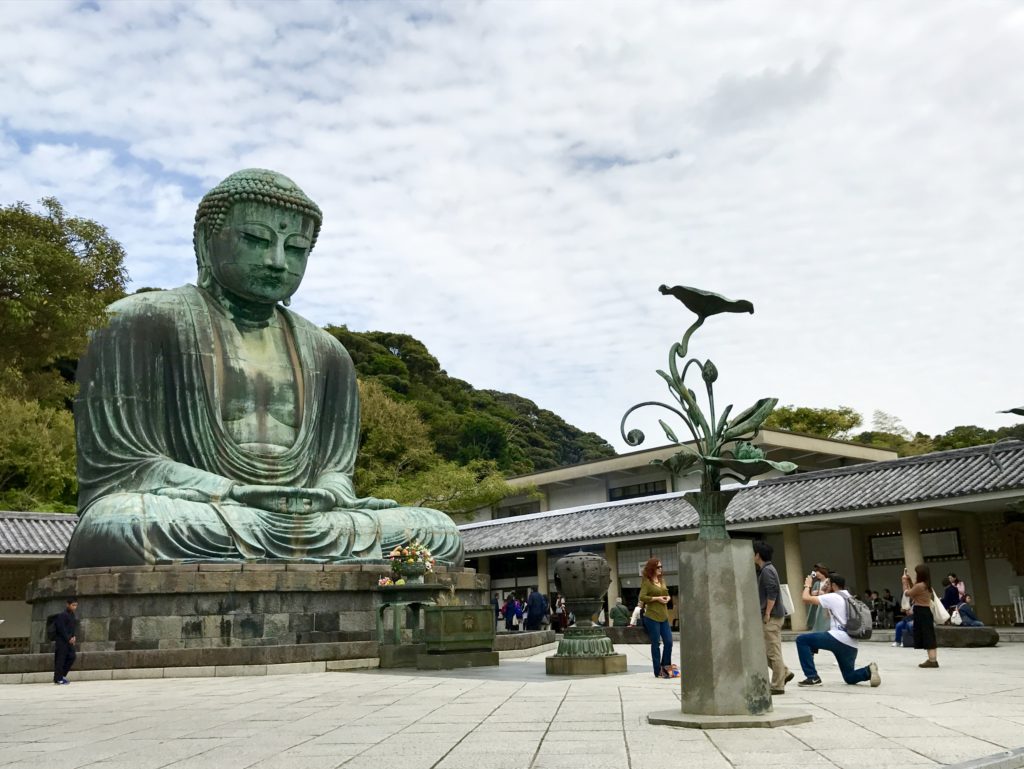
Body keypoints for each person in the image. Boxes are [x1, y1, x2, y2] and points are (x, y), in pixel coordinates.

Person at [63, 169, 463, 568]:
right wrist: (232, 492)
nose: (276, 261)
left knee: (436, 531)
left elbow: (334, 471)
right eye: (256, 239)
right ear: (205, 240)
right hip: (202, 511)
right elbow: (128, 468)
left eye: (296, 249)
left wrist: (329, 492)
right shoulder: (135, 322)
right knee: (121, 523)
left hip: (308, 520)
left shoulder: (329, 353)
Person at [796, 573, 880, 688]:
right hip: (851, 643)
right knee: (849, 677)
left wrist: (807, 585)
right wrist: (825, 592)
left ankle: (812, 677)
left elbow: (805, 599)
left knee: (802, 640)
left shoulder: (834, 597)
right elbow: (827, 615)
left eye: (828, 583)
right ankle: (868, 671)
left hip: (837, 638)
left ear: (834, 585)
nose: (825, 584)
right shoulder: (849, 596)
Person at [753, 541, 792, 695]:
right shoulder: (766, 569)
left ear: (758, 555)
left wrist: (767, 613)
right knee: (767, 651)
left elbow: (772, 592)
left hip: (772, 617)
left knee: (773, 652)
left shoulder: (767, 571)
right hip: (773, 616)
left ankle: (777, 685)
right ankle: (784, 673)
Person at [639, 557, 674, 678]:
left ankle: (665, 667)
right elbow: (642, 597)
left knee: (669, 642)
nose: (660, 569)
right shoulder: (647, 582)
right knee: (656, 643)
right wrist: (657, 598)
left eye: (661, 566)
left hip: (664, 616)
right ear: (652, 568)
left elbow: (666, 593)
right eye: (658, 567)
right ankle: (657, 670)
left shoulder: (662, 580)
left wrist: (668, 598)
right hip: (652, 616)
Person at [902, 564, 939, 668]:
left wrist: (904, 583)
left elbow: (908, 593)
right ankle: (932, 659)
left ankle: (932, 660)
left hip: (921, 611)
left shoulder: (920, 586)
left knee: (927, 635)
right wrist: (909, 581)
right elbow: (915, 590)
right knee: (929, 634)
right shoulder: (926, 585)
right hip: (926, 611)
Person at [53, 597, 78, 685]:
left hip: (69, 641)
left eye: (76, 605)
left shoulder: (72, 615)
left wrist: (74, 636)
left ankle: (61, 675)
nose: (74, 607)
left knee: (72, 656)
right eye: (73, 605)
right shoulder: (62, 615)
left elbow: (72, 627)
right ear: (68, 604)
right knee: (60, 659)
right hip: (61, 641)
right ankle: (58, 678)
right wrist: (68, 638)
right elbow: (61, 629)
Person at [804, 564, 831, 632]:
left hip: (827, 603)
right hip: (818, 603)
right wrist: (815, 593)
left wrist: (822, 593)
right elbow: (812, 593)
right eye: (817, 575)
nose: (818, 576)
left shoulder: (829, 581)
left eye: (819, 574)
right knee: (818, 618)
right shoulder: (817, 583)